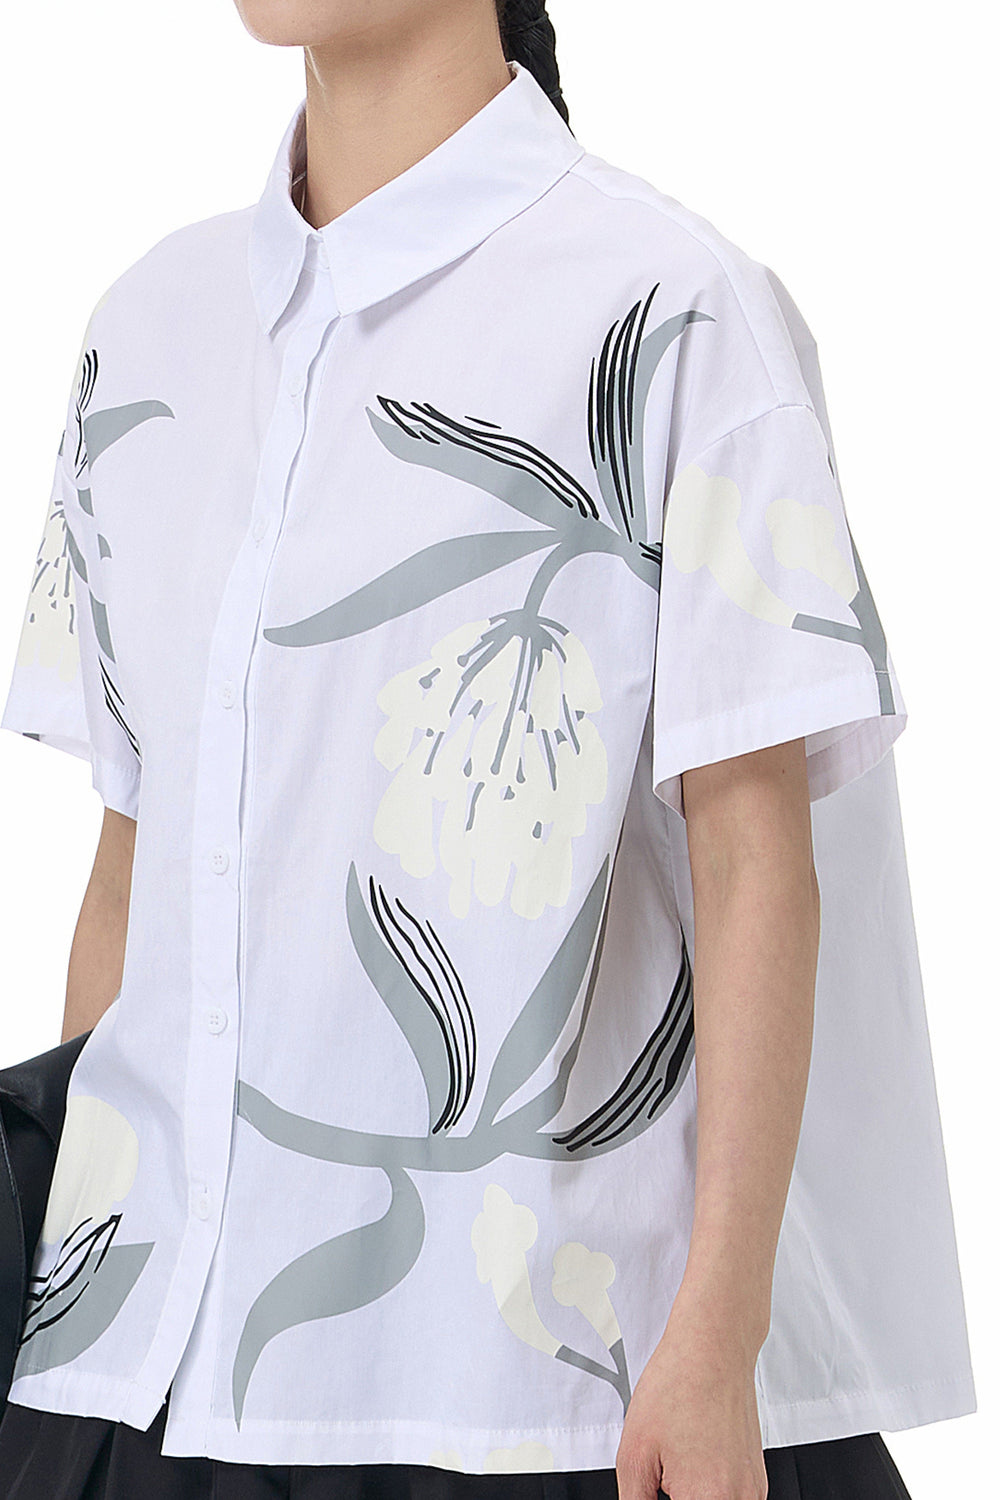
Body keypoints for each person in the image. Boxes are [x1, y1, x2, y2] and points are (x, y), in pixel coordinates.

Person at [0, 1, 976, 1497]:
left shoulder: (672, 306)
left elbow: (754, 859)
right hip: (135, 1377)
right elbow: (132, 868)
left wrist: (720, 1335)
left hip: (530, 1387)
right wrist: (72, 1285)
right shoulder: (149, 329)